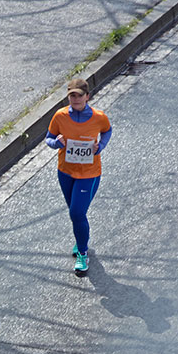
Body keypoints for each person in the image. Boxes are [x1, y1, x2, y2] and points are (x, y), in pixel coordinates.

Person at [45, 77, 113, 276]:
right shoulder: (60, 116)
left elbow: (107, 131)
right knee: (75, 213)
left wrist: (100, 146)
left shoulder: (99, 117)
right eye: (72, 96)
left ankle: (83, 253)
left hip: (89, 174)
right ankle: (81, 240)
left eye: (79, 95)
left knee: (76, 212)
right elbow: (48, 138)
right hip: (65, 172)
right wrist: (56, 143)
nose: (75, 99)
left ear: (87, 96)